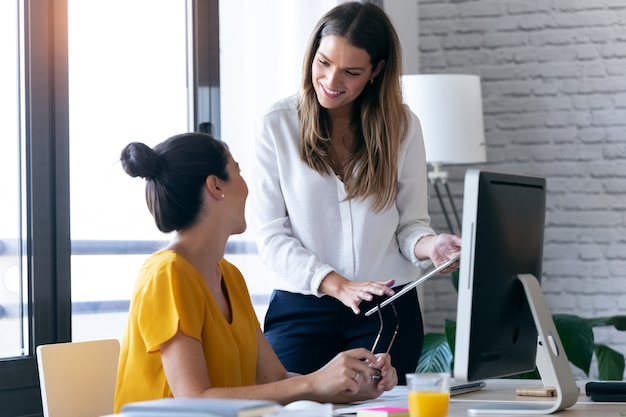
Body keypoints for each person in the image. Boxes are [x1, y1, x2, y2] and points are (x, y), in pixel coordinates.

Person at [248, 2, 462, 385]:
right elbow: (270, 236)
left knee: (381, 407)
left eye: (351, 72)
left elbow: (410, 225)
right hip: (302, 307)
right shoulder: (276, 125)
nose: (331, 80)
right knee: (284, 401)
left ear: (376, 71)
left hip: (385, 308)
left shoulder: (403, 127)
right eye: (323, 62)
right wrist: (337, 284)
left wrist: (431, 246)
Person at [113, 133, 397, 413]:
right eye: (237, 171)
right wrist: (316, 380)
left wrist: (355, 385)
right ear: (215, 186)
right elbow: (194, 398)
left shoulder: (229, 276)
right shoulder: (167, 274)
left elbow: (277, 381)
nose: (247, 186)